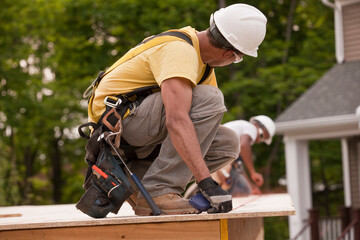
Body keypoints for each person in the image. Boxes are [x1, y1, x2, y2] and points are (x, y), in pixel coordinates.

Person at [84, 4, 267, 216]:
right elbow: (177, 120)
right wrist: (206, 182)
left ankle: (140, 186)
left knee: (227, 142)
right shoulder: (180, 50)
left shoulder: (203, 65)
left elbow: (200, 131)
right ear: (229, 54)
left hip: (137, 130)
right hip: (114, 128)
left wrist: (215, 183)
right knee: (212, 99)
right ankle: (160, 190)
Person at [212, 115, 276, 197]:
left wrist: (252, 187)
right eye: (261, 135)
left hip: (214, 153)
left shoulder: (239, 136)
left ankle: (209, 187)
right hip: (216, 153)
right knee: (238, 186)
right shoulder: (250, 128)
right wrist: (253, 172)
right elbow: (244, 145)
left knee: (245, 189)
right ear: (256, 125)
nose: (258, 140)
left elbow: (239, 168)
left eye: (262, 140)